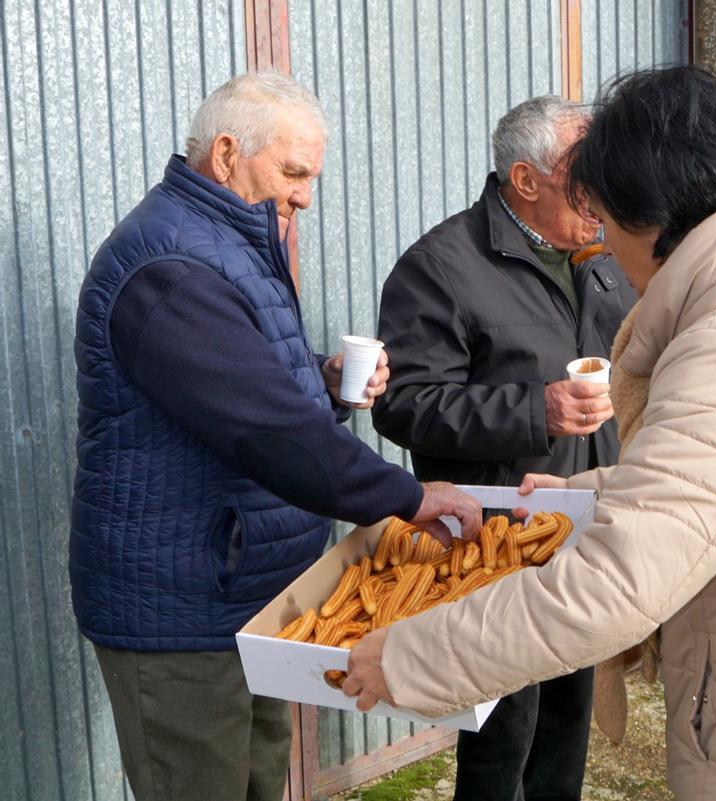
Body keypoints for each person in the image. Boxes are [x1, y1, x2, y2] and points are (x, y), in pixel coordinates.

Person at [348, 66, 716, 801]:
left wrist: (405, 657)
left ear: (645, 216)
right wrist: (595, 486)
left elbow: (616, 583)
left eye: (603, 210)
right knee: (503, 752)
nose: (600, 238)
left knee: (559, 732)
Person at [70, 72, 481, 801]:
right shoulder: (169, 265)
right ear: (227, 154)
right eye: (293, 172)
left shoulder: (226, 242)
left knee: (262, 782)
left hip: (247, 593)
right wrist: (406, 495)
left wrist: (321, 385)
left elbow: (242, 390)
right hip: (184, 610)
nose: (304, 195)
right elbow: (264, 429)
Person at [370, 95, 637, 801]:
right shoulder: (441, 266)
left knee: (568, 716)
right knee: (503, 731)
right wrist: (535, 408)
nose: (605, 189)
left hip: (582, 527)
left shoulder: (602, 253)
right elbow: (403, 405)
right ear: (526, 179)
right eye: (585, 174)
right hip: (498, 541)